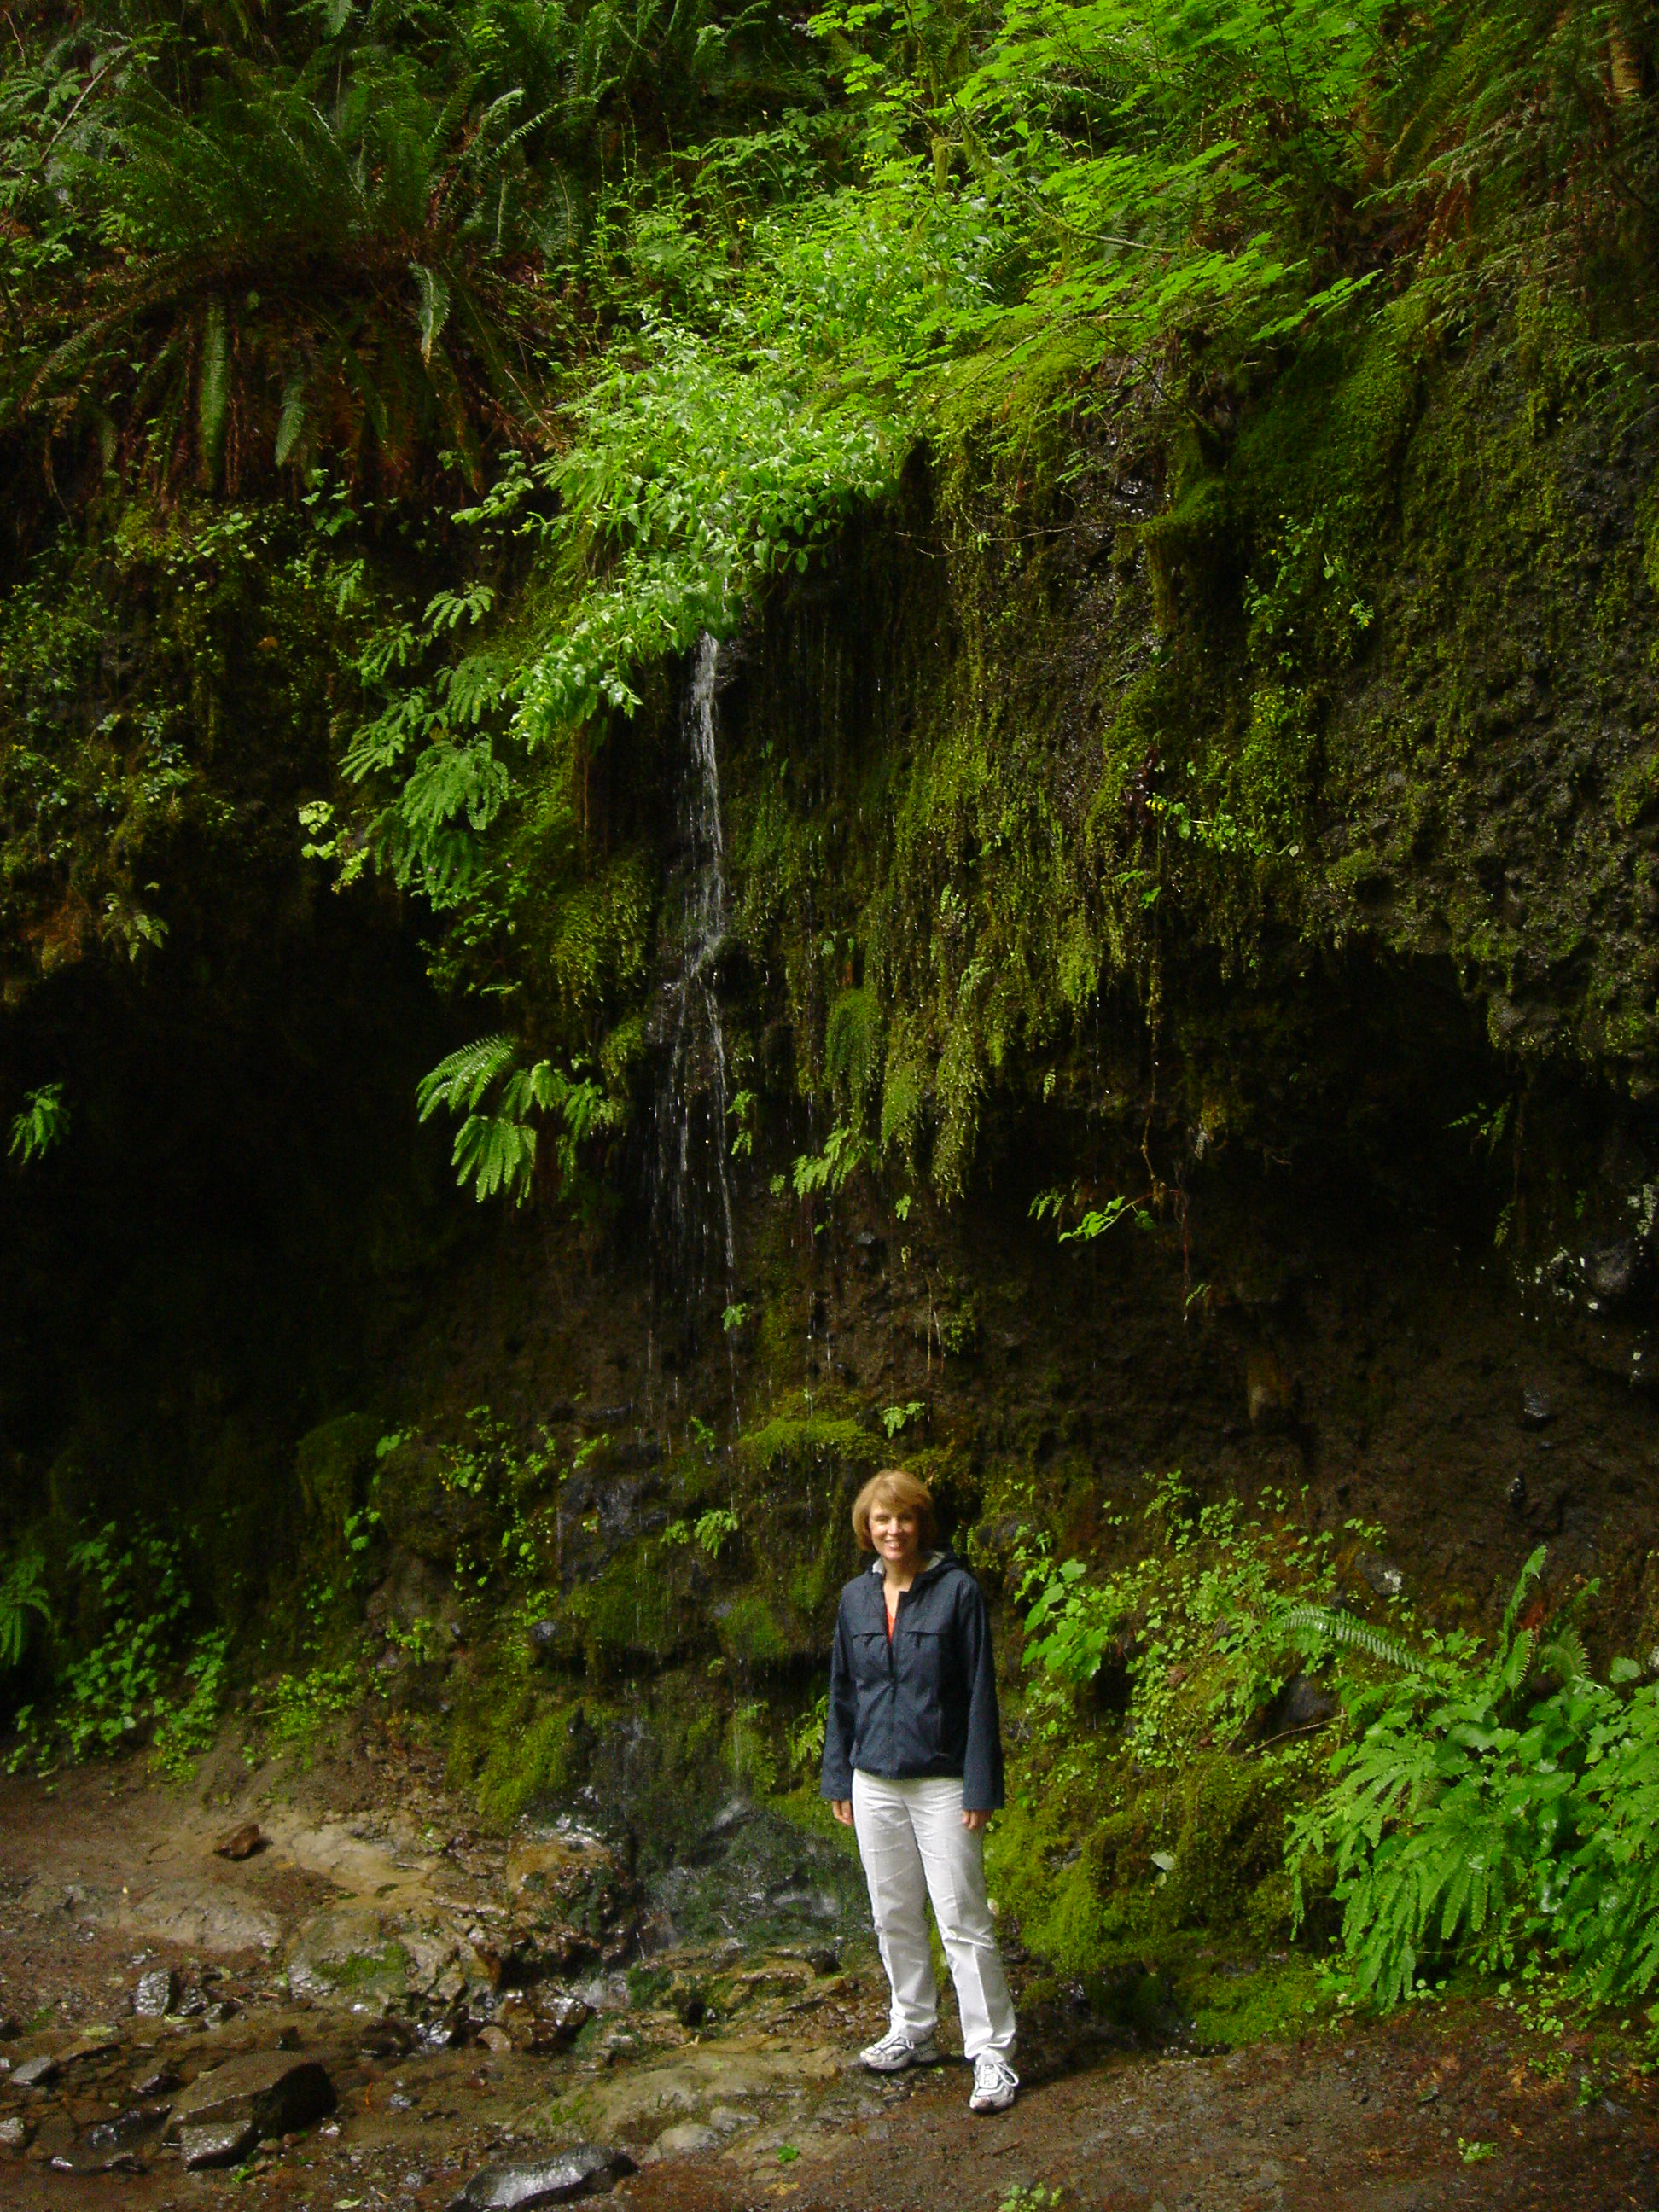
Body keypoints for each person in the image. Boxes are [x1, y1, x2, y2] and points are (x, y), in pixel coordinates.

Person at [821, 1466, 1018, 2115]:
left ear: (920, 1523)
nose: (893, 1530)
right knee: (892, 1912)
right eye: (882, 1519)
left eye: (904, 1518)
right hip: (872, 1780)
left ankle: (991, 2054)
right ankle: (913, 2026)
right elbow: (843, 1692)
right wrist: (838, 1774)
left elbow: (981, 1693)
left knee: (962, 1918)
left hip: (942, 1781)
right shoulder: (855, 1598)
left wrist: (980, 1784)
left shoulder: (957, 1591)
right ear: (867, 1527)